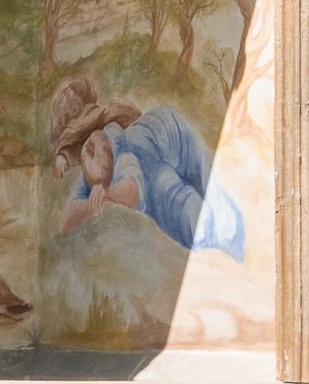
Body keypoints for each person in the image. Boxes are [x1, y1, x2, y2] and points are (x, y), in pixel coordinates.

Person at [49, 73, 245, 258]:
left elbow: (132, 188)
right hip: (162, 130)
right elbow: (67, 219)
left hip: (164, 132)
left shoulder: (112, 137)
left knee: (195, 189)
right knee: (187, 194)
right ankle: (231, 237)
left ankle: (232, 235)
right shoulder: (91, 165)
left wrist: (105, 194)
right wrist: (93, 200)